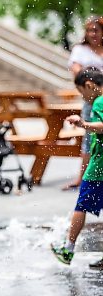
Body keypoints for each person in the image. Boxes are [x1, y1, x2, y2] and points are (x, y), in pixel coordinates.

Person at [51, 67, 103, 269]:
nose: (84, 98)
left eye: (83, 92)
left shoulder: (98, 101)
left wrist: (84, 123)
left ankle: (68, 250)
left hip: (99, 166)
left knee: (81, 206)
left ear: (89, 85)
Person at [63, 15, 103, 190]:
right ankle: (83, 177)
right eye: (89, 30)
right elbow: (79, 74)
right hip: (90, 99)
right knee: (89, 137)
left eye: (96, 30)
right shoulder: (80, 50)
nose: (92, 34)